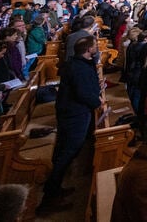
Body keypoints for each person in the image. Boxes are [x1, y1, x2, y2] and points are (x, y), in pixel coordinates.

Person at [38, 35, 102, 213]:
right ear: (89, 49)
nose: (97, 47)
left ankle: (55, 189)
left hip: (73, 112)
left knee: (65, 152)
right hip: (75, 114)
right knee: (68, 151)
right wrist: (97, 102)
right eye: (95, 45)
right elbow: (82, 92)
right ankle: (48, 198)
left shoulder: (76, 64)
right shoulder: (78, 68)